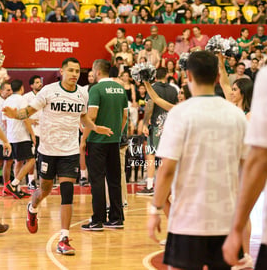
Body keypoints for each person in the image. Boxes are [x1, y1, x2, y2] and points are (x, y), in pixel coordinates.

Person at [148, 51, 247, 270]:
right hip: (226, 220)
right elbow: (246, 172)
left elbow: (166, 169)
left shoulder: (180, 114)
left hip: (187, 222)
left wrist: (155, 210)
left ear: (188, 76)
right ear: (216, 77)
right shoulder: (237, 115)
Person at [2, 57, 112, 255]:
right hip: (48, 150)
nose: (74, 74)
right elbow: (28, 110)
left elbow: (83, 116)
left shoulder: (82, 94)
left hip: (69, 151)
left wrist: (95, 127)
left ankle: (64, 238)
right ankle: (32, 207)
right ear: (61, 72)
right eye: (70, 70)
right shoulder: (48, 91)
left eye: (77, 71)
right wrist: (15, 114)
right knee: (44, 190)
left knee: (67, 193)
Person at [223, 66, 267, 270]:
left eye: (235, 89)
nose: (231, 92)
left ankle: (246, 254)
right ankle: (240, 253)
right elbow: (223, 82)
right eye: (231, 89)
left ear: (243, 92)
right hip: (230, 165)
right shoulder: (232, 110)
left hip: (244, 165)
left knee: (243, 211)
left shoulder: (249, 116)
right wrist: (221, 61)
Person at [80, 59, 128, 231]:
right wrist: (116, 133)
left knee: (97, 180)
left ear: (97, 71)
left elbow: (91, 116)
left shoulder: (97, 89)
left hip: (97, 142)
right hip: (114, 141)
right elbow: (124, 117)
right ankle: (116, 218)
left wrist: (83, 139)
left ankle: (97, 220)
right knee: (114, 180)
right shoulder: (121, 89)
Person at [136, 68, 178, 196]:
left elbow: (149, 105)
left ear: (155, 77)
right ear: (166, 75)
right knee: (168, 156)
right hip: (170, 125)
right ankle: (169, 185)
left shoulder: (153, 87)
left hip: (156, 125)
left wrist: (145, 123)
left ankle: (149, 186)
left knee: (151, 155)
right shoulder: (173, 89)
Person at [3, 79, 35, 199]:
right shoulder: (22, 100)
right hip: (22, 136)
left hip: (11, 136)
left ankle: (17, 189)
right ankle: (14, 184)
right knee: (31, 160)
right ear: (22, 88)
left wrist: (10, 133)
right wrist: (31, 134)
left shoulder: (7, 100)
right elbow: (25, 118)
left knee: (18, 162)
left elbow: (4, 121)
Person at [0, 82, 14, 196]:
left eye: (11, 90)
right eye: (7, 90)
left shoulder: (8, 101)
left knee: (9, 161)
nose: (10, 92)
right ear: (1, 91)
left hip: (8, 137)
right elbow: (5, 122)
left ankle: (6, 186)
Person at [23, 75, 43, 190]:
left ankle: (42, 180)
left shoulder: (44, 96)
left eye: (40, 82)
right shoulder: (26, 97)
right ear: (31, 86)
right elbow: (22, 114)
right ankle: (31, 181)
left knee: (42, 157)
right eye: (36, 82)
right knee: (31, 157)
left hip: (43, 130)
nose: (39, 84)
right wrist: (29, 120)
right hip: (31, 132)